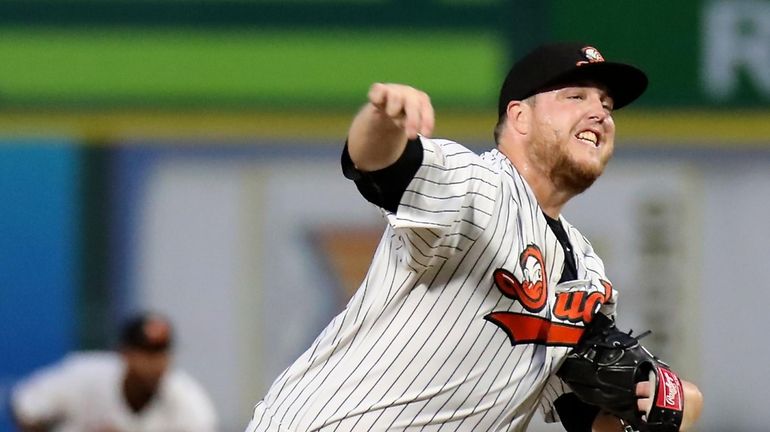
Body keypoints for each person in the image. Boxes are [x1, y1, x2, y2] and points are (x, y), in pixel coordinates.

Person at [245, 42, 703, 431]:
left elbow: (594, 414)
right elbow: (376, 164)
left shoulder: (587, 273)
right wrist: (383, 116)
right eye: (576, 96)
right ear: (519, 117)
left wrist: (666, 407)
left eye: (606, 105)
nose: (599, 113)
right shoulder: (477, 186)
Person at [11, 311, 218, 432]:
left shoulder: (187, 400)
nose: (154, 364)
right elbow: (25, 407)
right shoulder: (86, 375)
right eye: (145, 354)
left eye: (160, 354)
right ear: (124, 354)